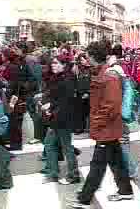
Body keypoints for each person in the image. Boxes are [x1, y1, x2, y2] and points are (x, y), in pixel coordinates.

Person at [66, 40, 133, 209]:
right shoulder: (101, 72)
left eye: (87, 55)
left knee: (97, 165)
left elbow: (111, 104)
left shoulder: (108, 75)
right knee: (116, 160)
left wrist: (97, 122)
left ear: (93, 56)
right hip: (108, 126)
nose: (85, 58)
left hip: (106, 127)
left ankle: (84, 199)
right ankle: (125, 190)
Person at [42, 55, 80, 185]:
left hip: (62, 119)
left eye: (56, 63)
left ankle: (73, 174)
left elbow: (65, 101)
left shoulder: (67, 79)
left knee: (66, 147)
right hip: (57, 117)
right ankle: (53, 172)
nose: (53, 65)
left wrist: (50, 107)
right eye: (52, 63)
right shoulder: (58, 77)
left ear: (64, 65)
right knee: (50, 144)